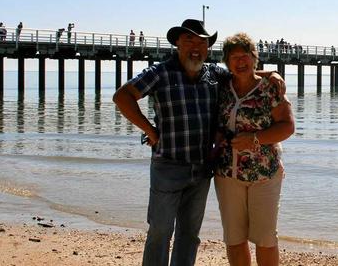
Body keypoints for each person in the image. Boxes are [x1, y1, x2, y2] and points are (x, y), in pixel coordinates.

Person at [113, 19, 285, 266]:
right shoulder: (160, 72)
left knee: (189, 235)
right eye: (189, 40)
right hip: (168, 166)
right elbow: (122, 96)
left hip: (202, 168)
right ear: (177, 44)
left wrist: (274, 74)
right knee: (160, 231)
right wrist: (149, 130)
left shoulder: (213, 74)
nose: (196, 47)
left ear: (207, 48)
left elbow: (243, 73)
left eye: (202, 42)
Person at [214, 32, 295, 266]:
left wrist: (255, 139)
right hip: (227, 174)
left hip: (265, 174)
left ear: (254, 57)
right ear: (227, 62)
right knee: (234, 238)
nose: (240, 62)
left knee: (266, 238)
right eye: (234, 57)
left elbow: (288, 127)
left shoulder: (270, 89)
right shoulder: (221, 87)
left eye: (245, 56)